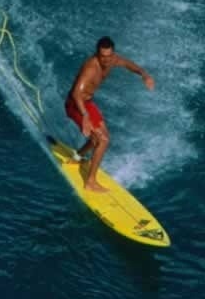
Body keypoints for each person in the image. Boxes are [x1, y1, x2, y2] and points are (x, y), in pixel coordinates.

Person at [63, 37, 155, 192]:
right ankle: (90, 182)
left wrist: (143, 74)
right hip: (76, 105)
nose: (105, 60)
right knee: (103, 140)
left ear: (113, 54)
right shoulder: (91, 68)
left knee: (101, 136)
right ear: (97, 54)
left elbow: (127, 64)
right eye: (102, 57)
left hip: (88, 103)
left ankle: (77, 157)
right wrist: (85, 116)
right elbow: (76, 93)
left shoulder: (113, 60)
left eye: (109, 56)